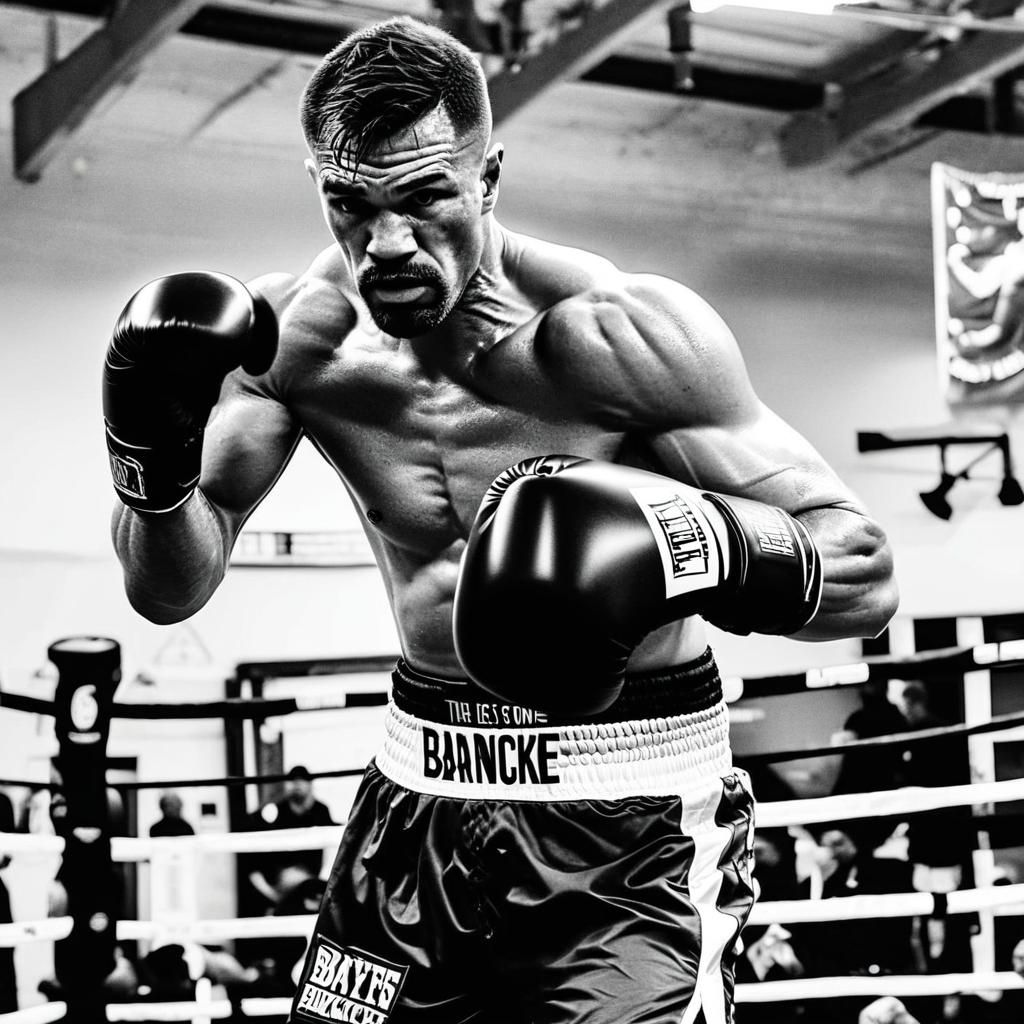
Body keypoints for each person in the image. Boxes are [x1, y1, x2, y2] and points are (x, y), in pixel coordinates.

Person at [101, 16, 898, 1023]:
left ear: (489, 175)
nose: (384, 244)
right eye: (348, 204)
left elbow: (861, 567)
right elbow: (167, 589)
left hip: (625, 815)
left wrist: (691, 545)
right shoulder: (295, 344)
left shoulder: (616, 336)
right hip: (416, 798)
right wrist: (147, 466)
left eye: (425, 196)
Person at [244, 766, 334, 913]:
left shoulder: (320, 811)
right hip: (281, 886)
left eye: (303, 780)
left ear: (310, 785)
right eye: (292, 780)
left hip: (312, 884)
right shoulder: (275, 813)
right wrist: (272, 892)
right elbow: (256, 859)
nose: (297, 785)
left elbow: (331, 850)